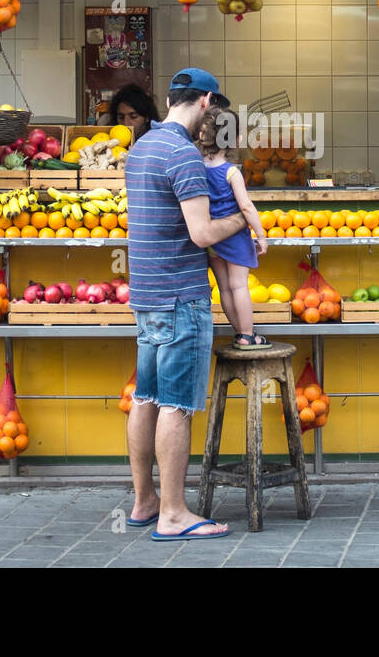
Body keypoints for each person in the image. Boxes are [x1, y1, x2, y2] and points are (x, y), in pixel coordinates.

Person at [124, 68, 246, 541]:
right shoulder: (182, 153)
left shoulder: (142, 147)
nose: (212, 122)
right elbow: (202, 234)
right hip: (180, 297)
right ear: (206, 101)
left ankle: (144, 502)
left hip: (148, 296)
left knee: (147, 398)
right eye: (214, 112)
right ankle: (174, 514)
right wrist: (241, 220)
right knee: (176, 405)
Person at [196, 105, 269, 350]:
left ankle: (239, 332)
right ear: (236, 139)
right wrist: (260, 235)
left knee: (225, 288)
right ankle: (248, 335)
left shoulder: (197, 168)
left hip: (212, 238)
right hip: (235, 238)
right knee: (239, 286)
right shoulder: (231, 173)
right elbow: (246, 207)